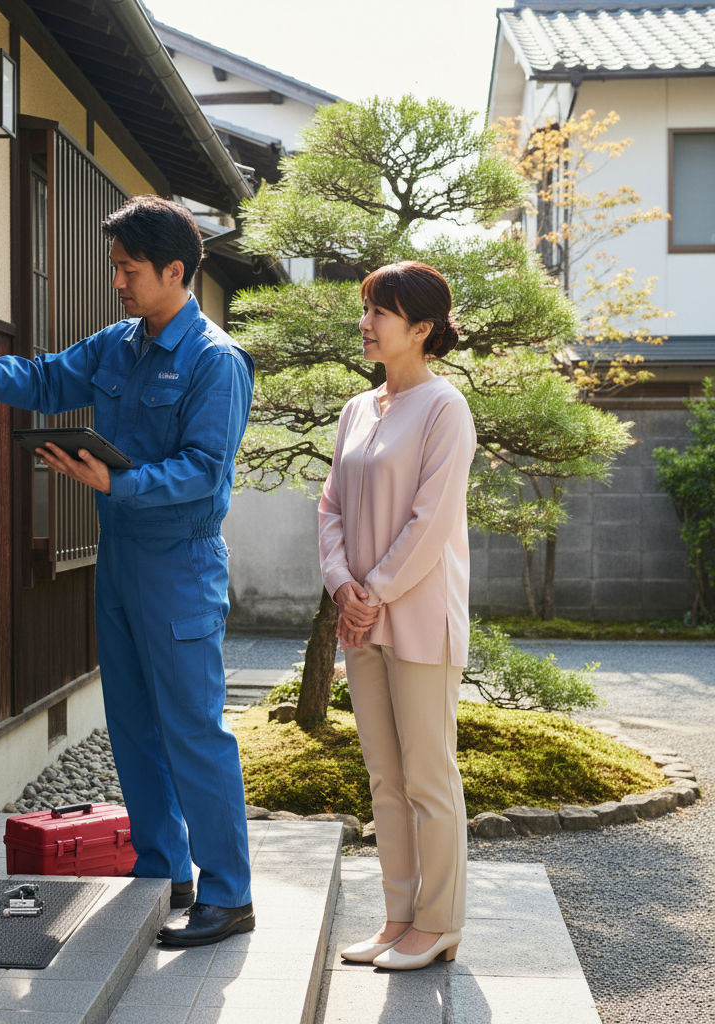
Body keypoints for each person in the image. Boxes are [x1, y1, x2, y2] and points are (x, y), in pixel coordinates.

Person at [0, 196, 256, 947]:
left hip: (180, 564)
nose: (118, 283)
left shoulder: (216, 362)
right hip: (121, 561)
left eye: (127, 270)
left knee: (193, 731)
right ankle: (162, 874)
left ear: (175, 271)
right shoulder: (119, 343)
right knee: (133, 727)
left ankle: (229, 895)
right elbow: (45, 378)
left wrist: (116, 484)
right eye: (115, 268)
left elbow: (207, 470)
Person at [319, 261, 476, 970]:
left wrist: (370, 591)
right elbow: (331, 509)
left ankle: (438, 922)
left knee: (428, 776)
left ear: (420, 328)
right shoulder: (358, 408)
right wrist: (341, 585)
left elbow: (431, 521)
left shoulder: (446, 408)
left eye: (379, 312)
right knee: (384, 777)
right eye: (366, 310)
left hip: (416, 619)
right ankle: (397, 917)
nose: (366, 323)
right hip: (361, 618)